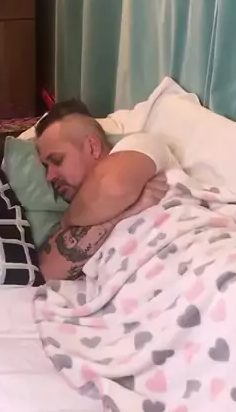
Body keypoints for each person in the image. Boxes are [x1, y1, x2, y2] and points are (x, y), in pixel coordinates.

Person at [35, 99, 169, 281]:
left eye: (57, 160)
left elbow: (115, 189)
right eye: (46, 167)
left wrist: (68, 220)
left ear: (93, 146)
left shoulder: (139, 144)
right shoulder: (78, 215)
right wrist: (122, 216)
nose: (49, 176)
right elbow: (47, 271)